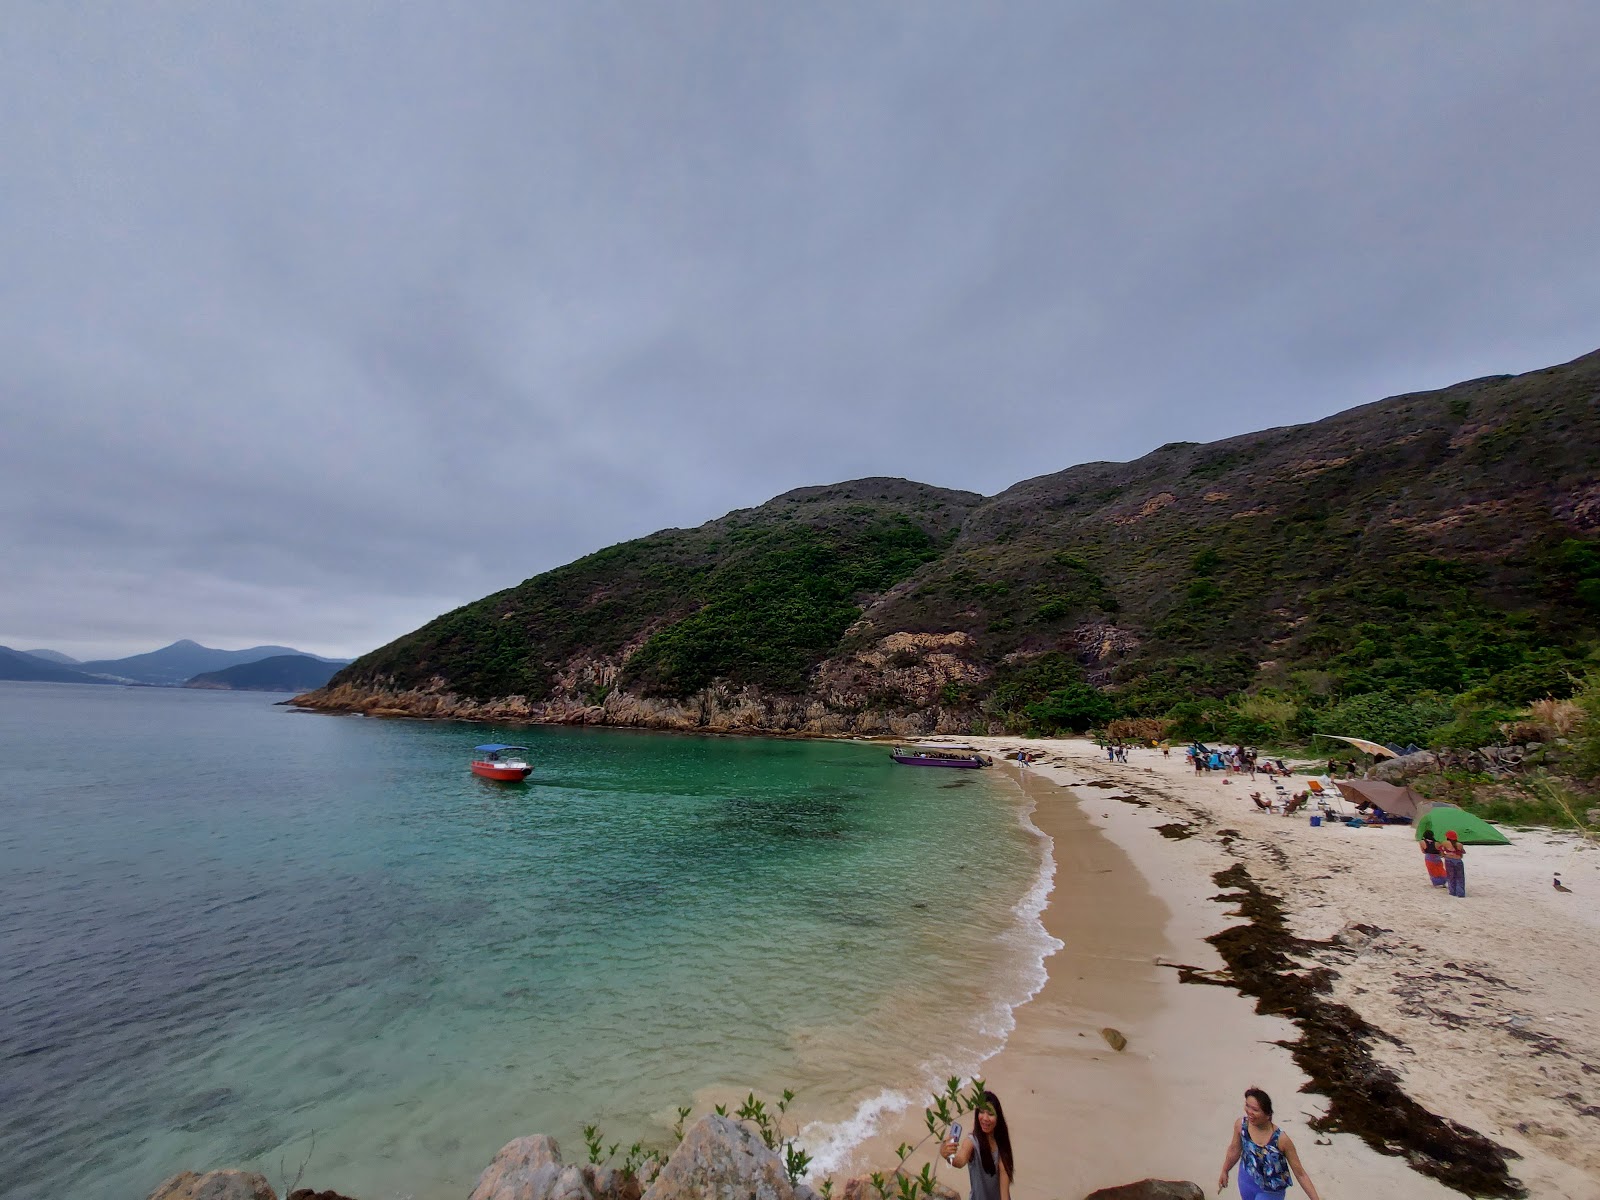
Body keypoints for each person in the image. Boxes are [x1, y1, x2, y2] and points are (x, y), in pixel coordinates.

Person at [1218, 1087, 1322, 1200]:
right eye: (1247, 1106)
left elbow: (1300, 1173)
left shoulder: (1281, 1139)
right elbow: (1234, 1149)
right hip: (1246, 1181)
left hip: (1271, 1191)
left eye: (1255, 1109)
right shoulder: (1241, 1125)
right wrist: (1225, 1170)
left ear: (1268, 1115)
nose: (1249, 1112)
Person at [941, 1091, 1013, 1200]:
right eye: (981, 1112)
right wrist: (947, 1155)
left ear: (998, 1117)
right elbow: (959, 1161)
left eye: (990, 1114)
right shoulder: (972, 1141)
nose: (985, 1118)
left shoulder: (1002, 1144)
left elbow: (1004, 1192)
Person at [1441, 829, 1467, 897]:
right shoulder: (1460, 845)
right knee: (1460, 877)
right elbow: (1461, 855)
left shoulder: (1445, 843)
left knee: (1450, 876)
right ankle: (1460, 893)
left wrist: (1446, 855)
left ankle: (1452, 892)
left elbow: (1441, 852)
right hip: (1458, 861)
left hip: (1448, 860)